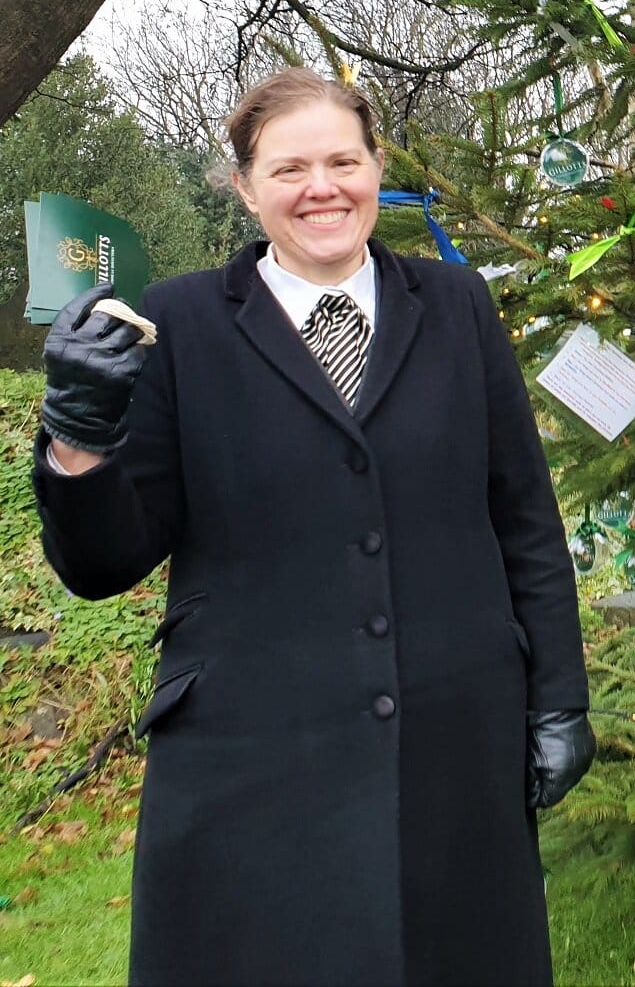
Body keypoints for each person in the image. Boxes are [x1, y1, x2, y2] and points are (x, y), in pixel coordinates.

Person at [33, 68, 596, 986]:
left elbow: (525, 518)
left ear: (378, 168)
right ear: (246, 187)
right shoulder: (172, 325)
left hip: (452, 746)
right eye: (290, 168)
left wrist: (560, 696)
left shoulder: (457, 307)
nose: (322, 187)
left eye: (344, 160)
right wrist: (80, 442)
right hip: (249, 761)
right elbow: (104, 564)